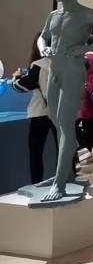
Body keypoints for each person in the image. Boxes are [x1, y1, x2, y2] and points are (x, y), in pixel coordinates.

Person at [10, 34, 57, 184]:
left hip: (41, 113)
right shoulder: (66, 63)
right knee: (64, 151)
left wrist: (16, 78)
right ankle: (69, 180)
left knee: (36, 152)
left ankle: (37, 184)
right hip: (62, 114)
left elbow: (23, 86)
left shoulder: (39, 65)